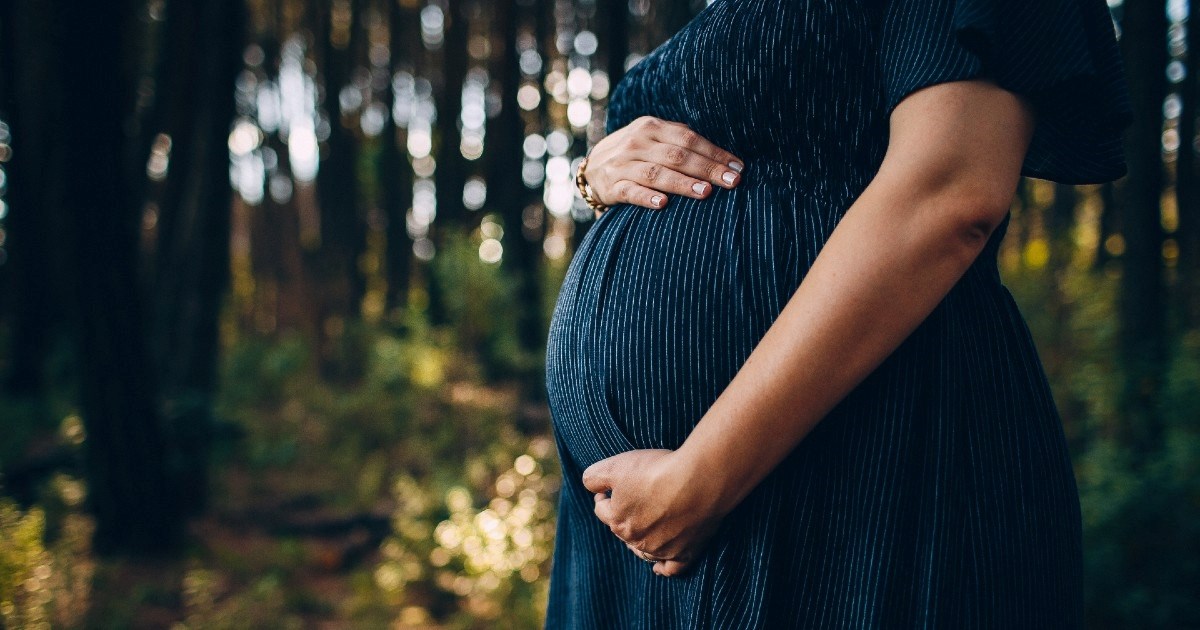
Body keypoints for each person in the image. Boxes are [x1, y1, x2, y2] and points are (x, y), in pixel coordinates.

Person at [542, 0, 1133, 626]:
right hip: (629, 529)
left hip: (862, 468)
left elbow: (950, 194)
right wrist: (593, 174)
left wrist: (701, 477)